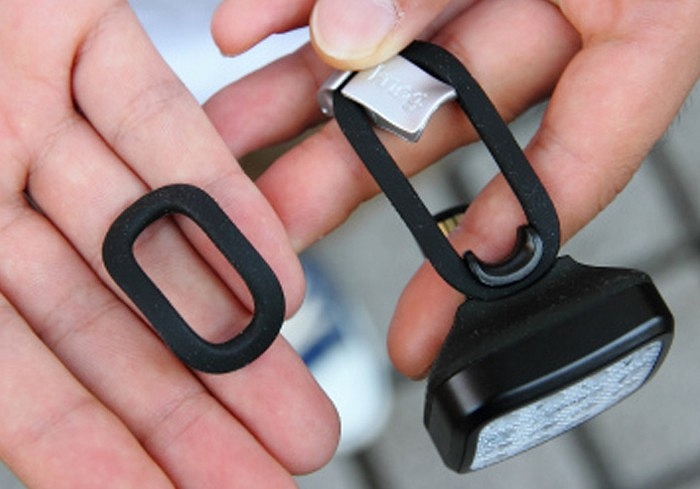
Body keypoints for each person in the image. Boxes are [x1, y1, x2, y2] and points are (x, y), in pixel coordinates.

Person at [0, 1, 697, 488]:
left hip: (268, 51)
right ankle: (261, 279)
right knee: (229, 171)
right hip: (119, 63)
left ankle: (276, 274)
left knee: (261, 176)